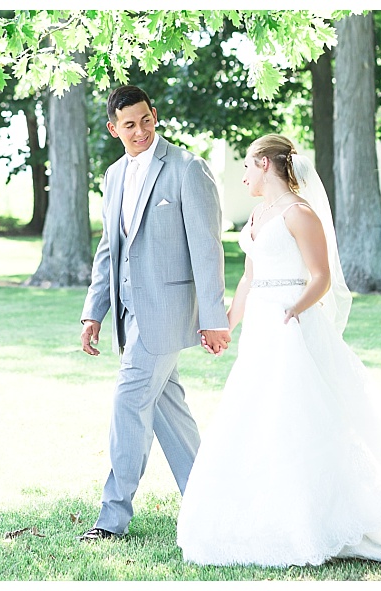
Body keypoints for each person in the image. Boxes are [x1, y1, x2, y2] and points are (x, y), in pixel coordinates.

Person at [175, 134, 381, 566]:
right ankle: (270, 512)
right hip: (261, 327)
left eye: (248, 166)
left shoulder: (299, 213)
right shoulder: (257, 215)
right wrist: (226, 323)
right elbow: (248, 278)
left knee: (300, 415)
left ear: (266, 165)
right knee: (259, 413)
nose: (243, 175)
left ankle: (321, 516)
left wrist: (293, 310)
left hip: (292, 326)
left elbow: (321, 277)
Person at [77, 85, 230, 541]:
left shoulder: (187, 168)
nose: (140, 130)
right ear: (113, 128)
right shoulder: (112, 176)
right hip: (130, 315)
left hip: (166, 315)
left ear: (154, 115)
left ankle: (111, 520)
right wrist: (94, 312)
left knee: (129, 403)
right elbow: (110, 249)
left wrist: (213, 317)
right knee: (170, 414)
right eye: (129, 124)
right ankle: (213, 504)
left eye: (146, 120)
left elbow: (207, 249)